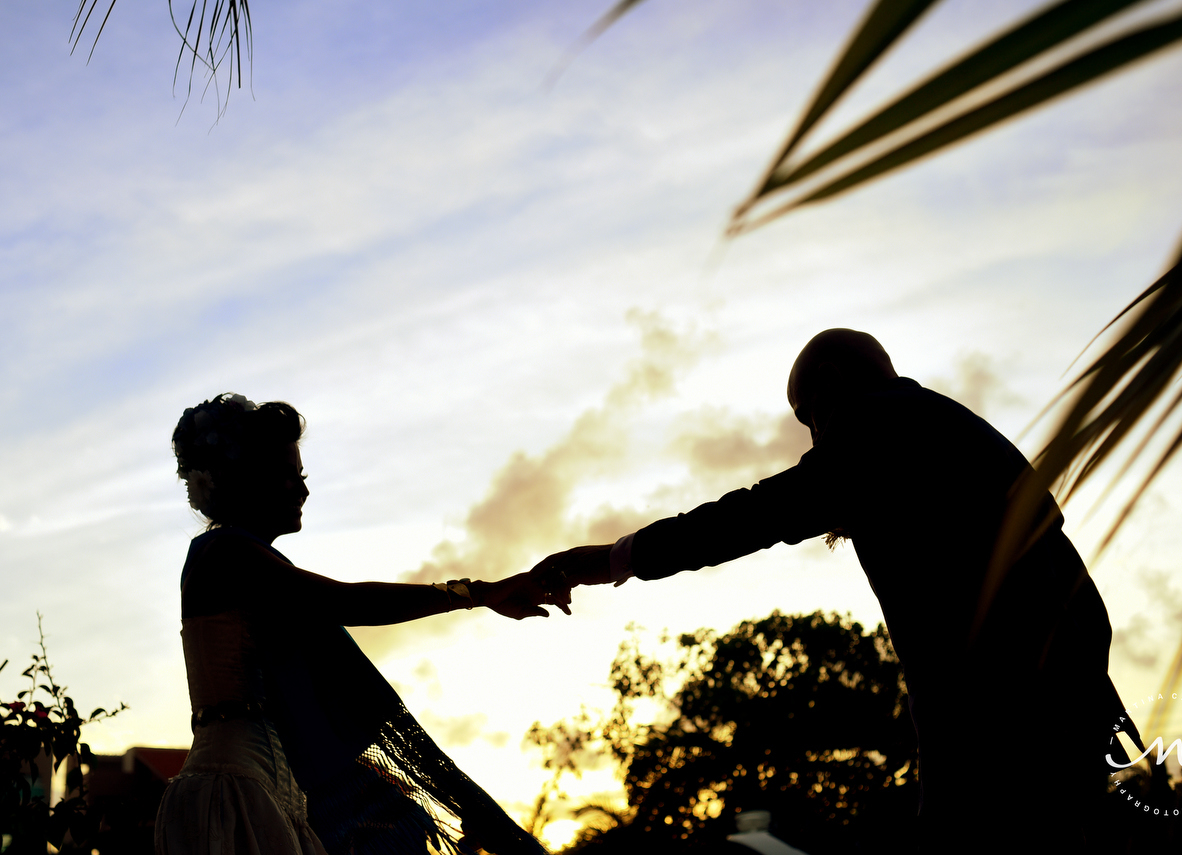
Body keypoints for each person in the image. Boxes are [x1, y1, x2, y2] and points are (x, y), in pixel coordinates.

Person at [533, 330, 1131, 848]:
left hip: (993, 713)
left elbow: (750, 517)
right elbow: (1078, 593)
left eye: (807, 415)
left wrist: (616, 557)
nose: (813, 437)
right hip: (1067, 701)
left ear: (830, 378)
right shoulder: (960, 431)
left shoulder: (877, 423)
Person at [158, 393, 558, 855]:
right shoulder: (224, 552)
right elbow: (343, 602)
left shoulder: (240, 558)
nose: (302, 490)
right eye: (286, 476)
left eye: (301, 475)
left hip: (266, 782)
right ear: (241, 480)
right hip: (238, 790)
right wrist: (475, 594)